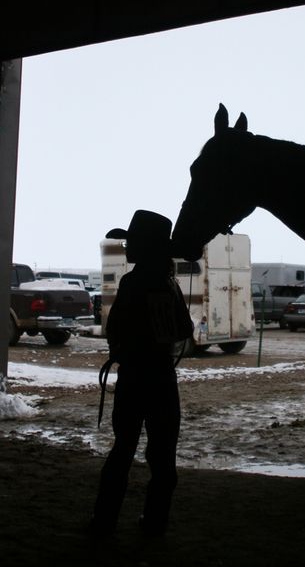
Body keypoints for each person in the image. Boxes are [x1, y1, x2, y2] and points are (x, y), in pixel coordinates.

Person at [91, 210, 193, 537]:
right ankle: (154, 525)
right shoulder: (169, 284)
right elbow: (181, 331)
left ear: (145, 246)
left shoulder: (133, 282)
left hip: (136, 379)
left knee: (123, 451)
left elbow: (116, 330)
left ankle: (104, 522)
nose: (126, 246)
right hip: (162, 379)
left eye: (131, 241)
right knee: (162, 458)